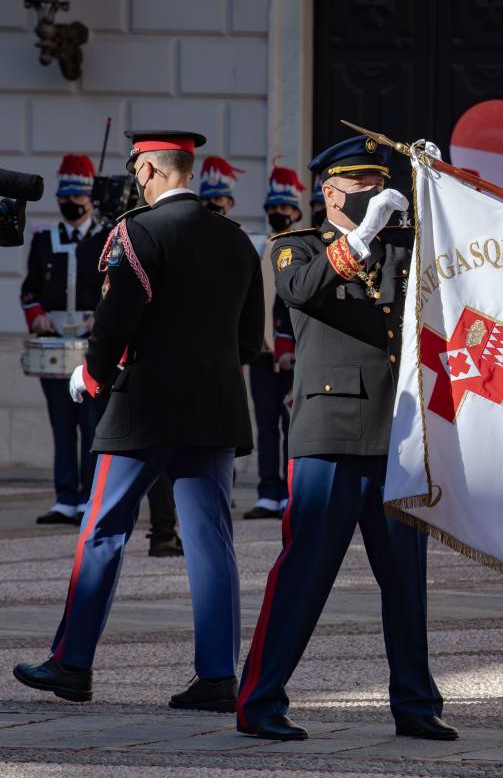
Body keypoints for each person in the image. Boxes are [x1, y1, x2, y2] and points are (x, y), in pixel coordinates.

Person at [12, 129, 264, 713]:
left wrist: (91, 376)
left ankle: (72, 663)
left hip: (144, 408)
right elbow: (248, 341)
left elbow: (115, 322)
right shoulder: (236, 240)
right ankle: (218, 676)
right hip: (214, 409)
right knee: (211, 542)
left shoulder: (136, 232)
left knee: (101, 530)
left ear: (148, 169)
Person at [237, 135, 453, 743]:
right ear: (330, 193)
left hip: (397, 435)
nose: (376, 197)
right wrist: (362, 236)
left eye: (382, 187)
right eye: (363, 188)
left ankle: (415, 703)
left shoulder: (399, 249)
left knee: (406, 582)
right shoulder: (294, 246)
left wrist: (436, 195)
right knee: (305, 574)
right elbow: (301, 293)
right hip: (330, 433)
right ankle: (260, 701)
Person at [20, 155, 107, 525]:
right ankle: (65, 497)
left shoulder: (107, 237)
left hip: (92, 344)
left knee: (92, 424)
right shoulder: (44, 239)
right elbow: (30, 291)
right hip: (54, 344)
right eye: (64, 196)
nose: (69, 203)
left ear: (90, 196)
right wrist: (36, 316)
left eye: (76, 196)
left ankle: (90, 497)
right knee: (61, 422)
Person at [244, 163, 304, 520]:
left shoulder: (300, 245)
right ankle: (269, 490)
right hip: (261, 352)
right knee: (265, 423)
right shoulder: (257, 246)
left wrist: (288, 343)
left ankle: (292, 492)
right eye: (272, 208)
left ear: (295, 211)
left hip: (293, 352)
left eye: (284, 208)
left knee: (292, 423)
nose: (277, 214)